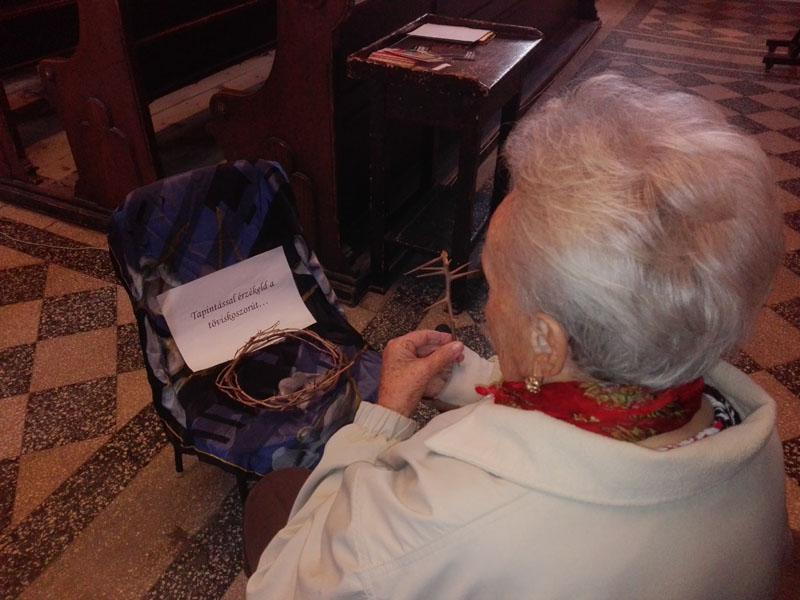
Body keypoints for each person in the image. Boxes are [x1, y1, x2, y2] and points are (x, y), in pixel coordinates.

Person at [245, 74, 791, 599]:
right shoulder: (745, 430)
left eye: (495, 282)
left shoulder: (438, 519)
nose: (486, 308)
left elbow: (284, 586)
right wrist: (468, 378)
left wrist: (383, 418)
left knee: (275, 498)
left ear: (546, 342)